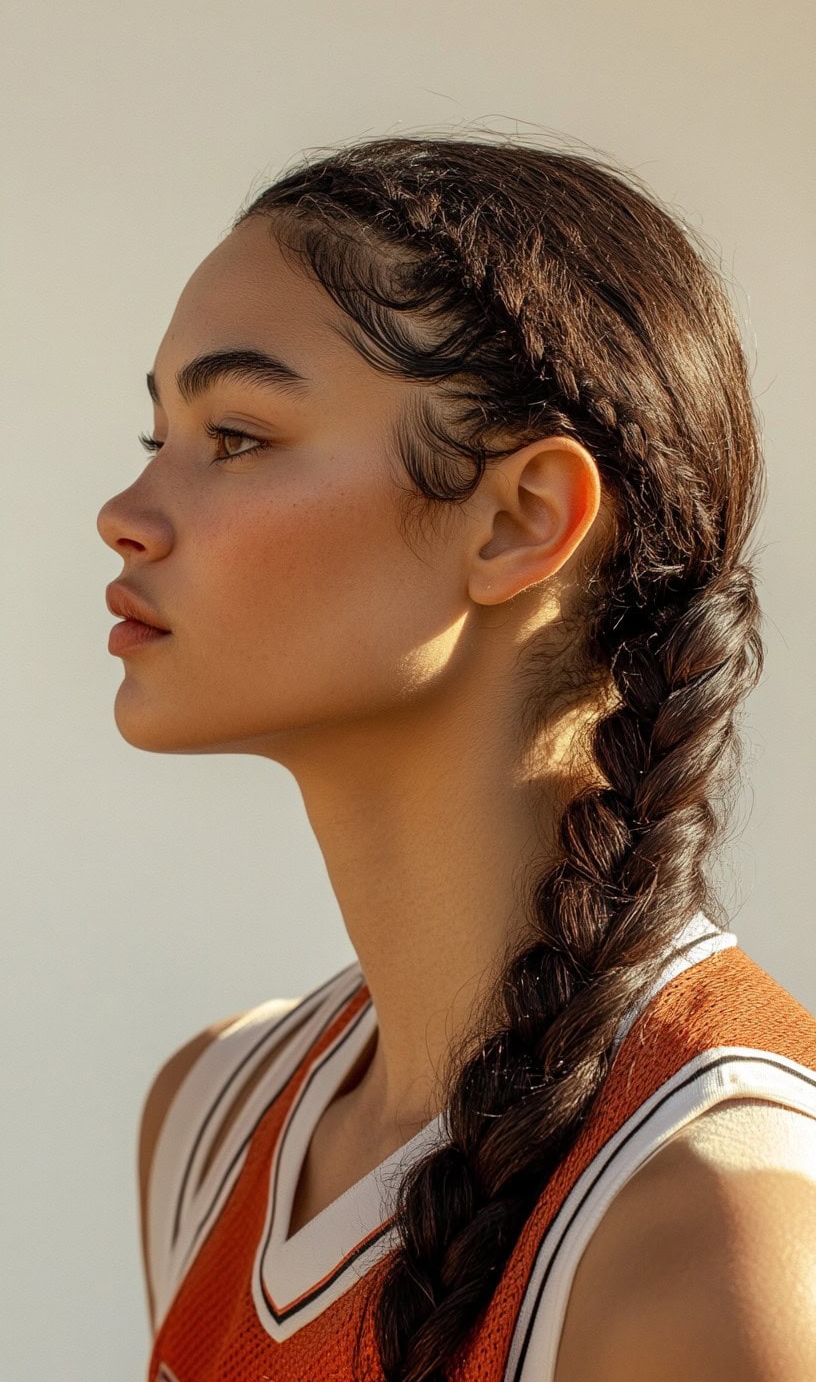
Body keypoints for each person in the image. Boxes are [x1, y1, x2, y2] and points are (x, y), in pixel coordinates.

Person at [96, 135, 816, 1382]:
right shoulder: (210, 1120)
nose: (127, 509)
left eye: (240, 434)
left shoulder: (720, 1230)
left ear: (522, 518)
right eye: (156, 430)